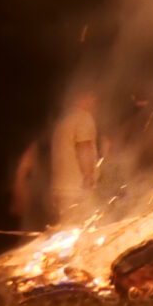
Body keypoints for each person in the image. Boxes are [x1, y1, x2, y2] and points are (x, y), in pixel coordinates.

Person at [50, 91, 100, 228]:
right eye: (92, 97)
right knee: (84, 230)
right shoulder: (83, 117)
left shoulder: (63, 120)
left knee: (68, 229)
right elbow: (83, 148)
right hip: (78, 187)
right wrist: (88, 176)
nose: (95, 101)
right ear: (83, 98)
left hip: (61, 187)